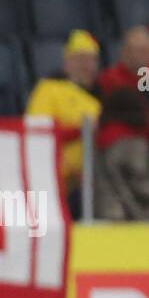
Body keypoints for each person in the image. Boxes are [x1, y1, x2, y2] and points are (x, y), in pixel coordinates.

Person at [26, 29, 102, 196]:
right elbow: (37, 133)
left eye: (92, 60)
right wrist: (79, 131)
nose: (87, 66)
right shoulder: (48, 89)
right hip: (53, 179)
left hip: (89, 181)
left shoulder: (97, 101)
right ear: (67, 62)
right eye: (81, 59)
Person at [93, 88, 149, 221]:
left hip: (105, 217)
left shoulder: (98, 141)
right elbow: (146, 191)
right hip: (134, 223)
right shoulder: (133, 145)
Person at [97, 26, 149, 130]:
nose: (143, 55)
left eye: (146, 50)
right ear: (124, 52)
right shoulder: (109, 78)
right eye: (137, 50)